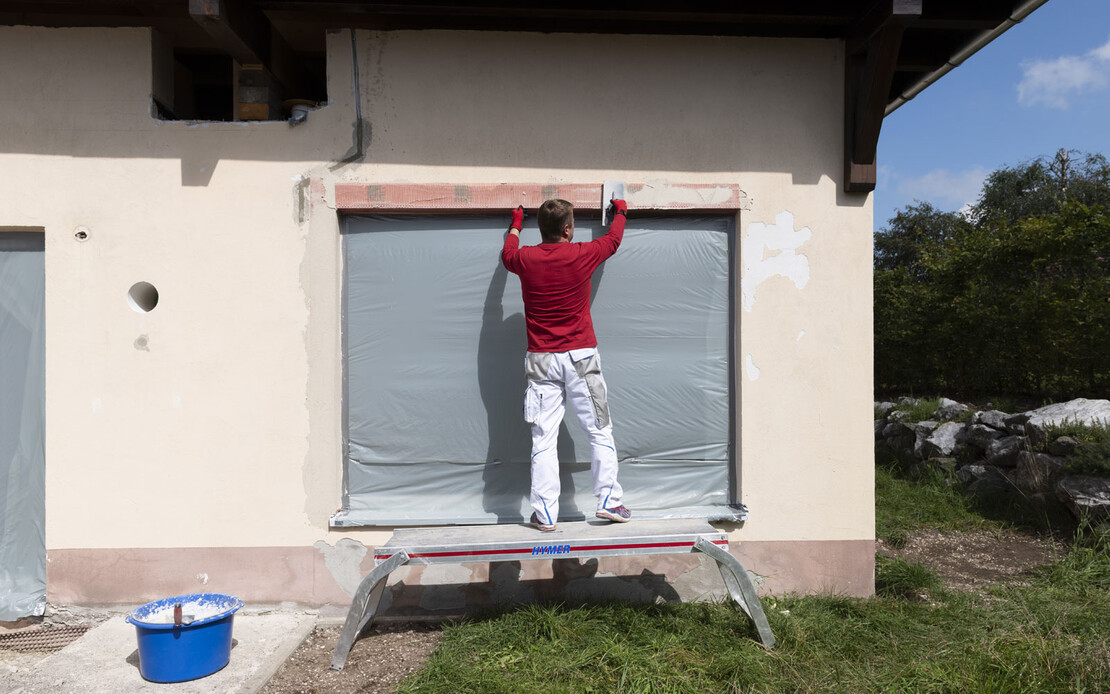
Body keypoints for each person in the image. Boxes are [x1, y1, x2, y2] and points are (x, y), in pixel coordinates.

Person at [501, 198, 632, 532]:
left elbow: (507, 254)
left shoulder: (526, 258)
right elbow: (614, 240)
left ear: (542, 229)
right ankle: (609, 502)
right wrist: (621, 210)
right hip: (581, 359)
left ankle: (544, 514)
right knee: (599, 429)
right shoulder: (583, 253)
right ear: (569, 228)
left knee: (543, 440)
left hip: (542, 360)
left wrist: (517, 222)